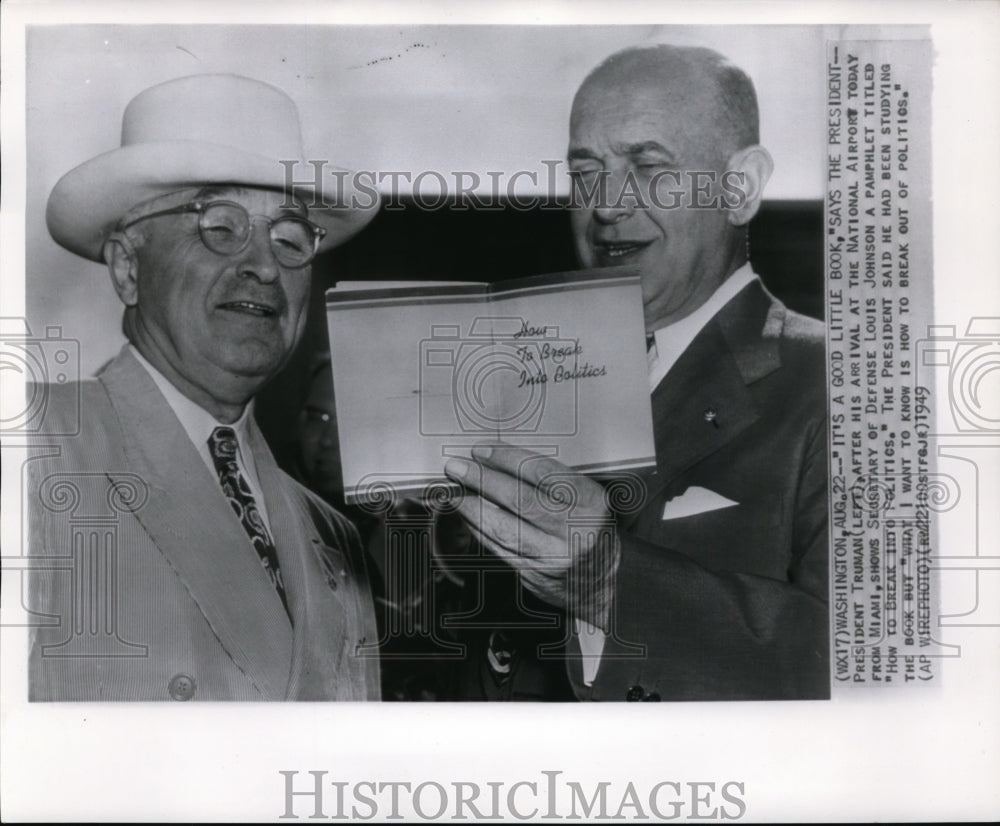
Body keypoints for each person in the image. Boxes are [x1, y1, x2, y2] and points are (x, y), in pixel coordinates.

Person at [444, 44, 829, 700]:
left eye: (647, 166)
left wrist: (609, 583)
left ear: (740, 189)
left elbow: (870, 675)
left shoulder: (841, 385)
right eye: (585, 171)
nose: (607, 204)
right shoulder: (536, 372)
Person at [27, 74, 381, 701]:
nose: (265, 266)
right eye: (220, 226)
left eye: (289, 238)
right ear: (128, 267)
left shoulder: (334, 538)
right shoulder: (32, 454)